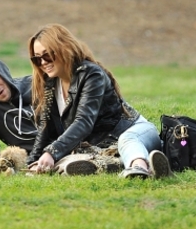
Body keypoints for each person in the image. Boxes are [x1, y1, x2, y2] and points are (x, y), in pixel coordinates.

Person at [26, 23, 173, 179]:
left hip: (135, 132)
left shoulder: (91, 74)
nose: (43, 62)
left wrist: (52, 152)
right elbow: (45, 129)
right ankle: (117, 165)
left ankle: (139, 168)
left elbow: (83, 121)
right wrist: (32, 162)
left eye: (47, 55)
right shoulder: (50, 84)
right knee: (73, 159)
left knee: (127, 140)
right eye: (37, 58)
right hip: (103, 147)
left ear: (63, 48)